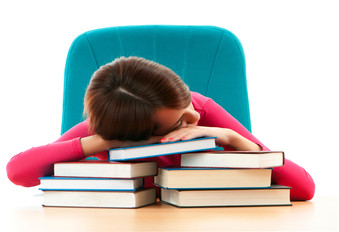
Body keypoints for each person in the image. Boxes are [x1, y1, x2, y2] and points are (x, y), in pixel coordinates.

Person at [6, 56, 315, 200]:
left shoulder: (201, 108)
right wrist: (99, 142)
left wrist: (231, 137)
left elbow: (304, 188)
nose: (194, 120)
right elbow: (18, 172)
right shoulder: (115, 128)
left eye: (186, 104)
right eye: (180, 122)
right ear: (137, 134)